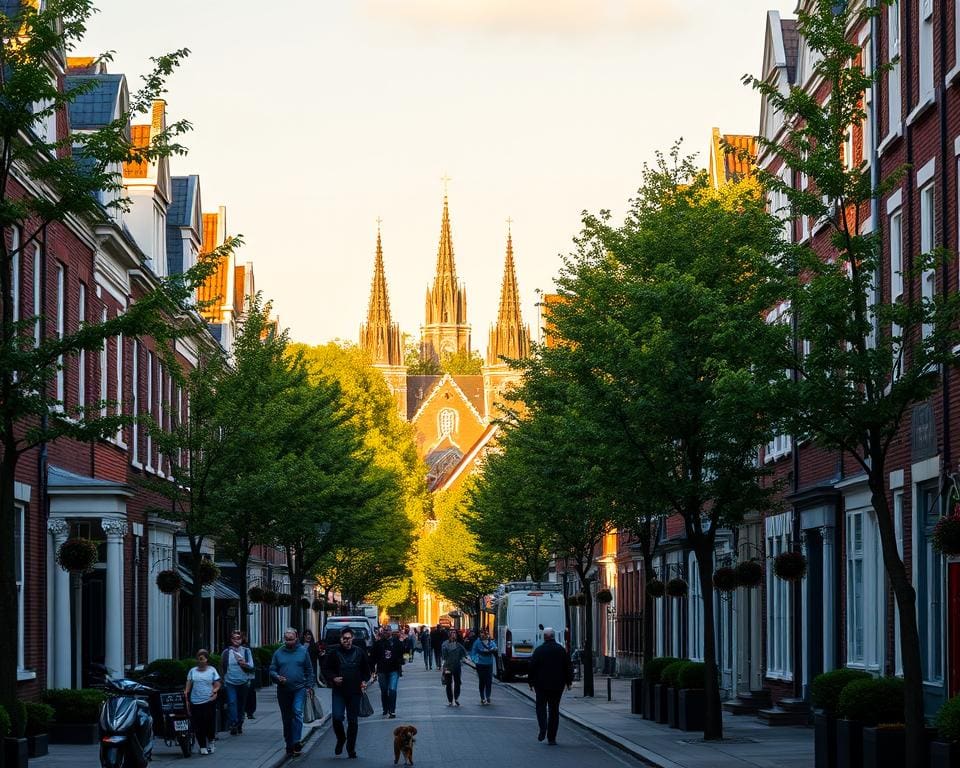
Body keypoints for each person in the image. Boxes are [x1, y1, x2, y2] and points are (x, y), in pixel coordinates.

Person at [323, 627, 373, 759]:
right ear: (340, 639)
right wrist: (333, 678)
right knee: (337, 717)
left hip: (355, 692)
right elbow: (326, 669)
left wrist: (364, 681)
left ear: (353, 638)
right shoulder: (334, 653)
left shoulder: (359, 652)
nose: (347, 641)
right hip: (339, 691)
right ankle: (341, 738)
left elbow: (366, 671)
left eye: (349, 638)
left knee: (353, 721)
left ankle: (351, 748)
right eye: (344, 638)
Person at [269, 628, 315, 757]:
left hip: (299, 688)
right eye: (287, 639)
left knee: (297, 712)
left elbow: (309, 670)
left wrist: (309, 686)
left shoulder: (303, 652)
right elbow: (272, 670)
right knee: (287, 718)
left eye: (291, 639)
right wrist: (277, 677)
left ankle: (296, 741)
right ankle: (288, 743)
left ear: (296, 639)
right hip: (283, 690)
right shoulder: (278, 653)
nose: (289, 642)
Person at [528, 627, 573, 745]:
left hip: (541, 685)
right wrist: (569, 682)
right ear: (554, 637)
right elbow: (567, 666)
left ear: (544, 637)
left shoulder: (539, 651)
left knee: (541, 707)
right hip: (557, 685)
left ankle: (543, 728)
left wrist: (531, 682)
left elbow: (532, 667)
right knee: (554, 710)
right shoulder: (561, 650)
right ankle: (552, 737)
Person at [184, 649, 221, 755]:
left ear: (207, 660)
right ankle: (202, 746)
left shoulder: (212, 670)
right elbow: (188, 685)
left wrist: (215, 691)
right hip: (195, 702)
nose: (200, 661)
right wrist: (186, 697)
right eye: (198, 659)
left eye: (202, 659)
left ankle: (211, 742)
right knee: (198, 725)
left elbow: (217, 683)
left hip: (208, 701)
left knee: (209, 723)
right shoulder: (192, 671)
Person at [220, 631, 254, 735]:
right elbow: (222, 667)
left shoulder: (246, 651)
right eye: (234, 638)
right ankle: (233, 723)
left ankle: (240, 722)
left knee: (241, 704)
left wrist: (245, 664)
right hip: (230, 682)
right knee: (232, 702)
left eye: (238, 638)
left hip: (243, 681)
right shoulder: (226, 652)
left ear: (241, 640)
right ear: (231, 640)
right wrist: (223, 679)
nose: (236, 640)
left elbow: (251, 666)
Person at [371, 626, 404, 718]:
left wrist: (401, 661)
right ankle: (385, 708)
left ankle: (392, 710)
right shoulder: (378, 643)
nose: (386, 633)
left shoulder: (396, 642)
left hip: (394, 670)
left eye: (387, 631)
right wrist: (373, 669)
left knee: (392, 690)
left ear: (391, 632)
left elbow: (402, 651)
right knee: (384, 690)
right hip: (382, 670)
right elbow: (373, 656)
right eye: (384, 631)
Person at [470, 627, 498, 705]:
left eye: (485, 633)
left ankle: (488, 697)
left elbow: (495, 648)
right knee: (482, 681)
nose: (483, 635)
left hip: (489, 664)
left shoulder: (491, 642)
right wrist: (476, 661)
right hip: (480, 664)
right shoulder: (477, 642)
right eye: (482, 633)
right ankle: (482, 697)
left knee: (489, 681)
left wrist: (493, 649)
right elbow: (473, 652)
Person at [440, 628, 467, 707]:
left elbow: (464, 653)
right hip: (448, 666)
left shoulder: (459, 645)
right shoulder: (445, 644)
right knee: (448, 683)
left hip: (457, 666)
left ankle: (456, 698)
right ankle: (450, 700)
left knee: (457, 682)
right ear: (449, 635)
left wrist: (462, 659)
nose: (453, 635)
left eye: (454, 633)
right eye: (452, 633)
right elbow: (444, 656)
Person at [242, 632, 257, 719]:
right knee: (250, 694)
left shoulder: (248, 650)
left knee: (249, 694)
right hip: (247, 676)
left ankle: (248, 711)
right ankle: (249, 712)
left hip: (249, 675)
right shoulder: (248, 649)